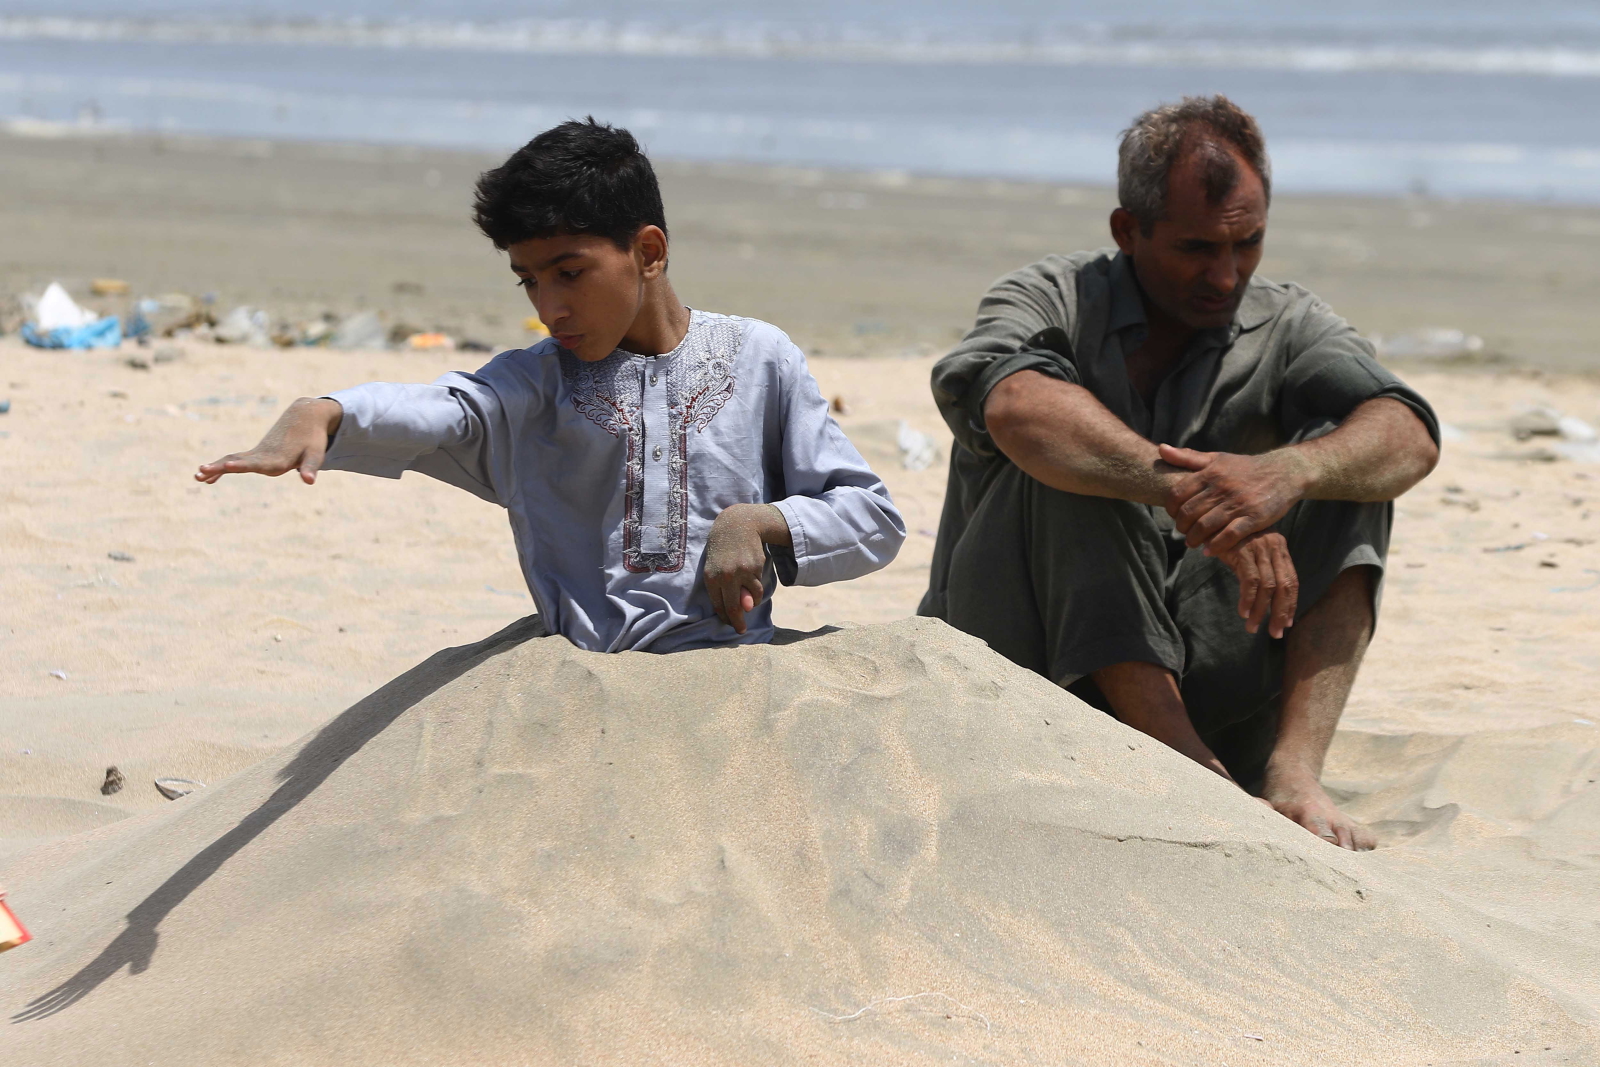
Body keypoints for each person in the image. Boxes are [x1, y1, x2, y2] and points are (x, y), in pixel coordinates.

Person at [920, 96, 1440, 851]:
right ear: (1128, 231)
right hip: (1021, 664)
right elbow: (1015, 407)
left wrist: (1285, 473)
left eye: (1249, 244)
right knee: (1072, 464)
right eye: (1198, 249)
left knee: (1349, 464)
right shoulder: (1047, 295)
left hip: (1200, 659)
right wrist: (1191, 493)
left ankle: (1293, 774)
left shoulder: (1287, 322)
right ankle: (1194, 775)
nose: (1226, 276)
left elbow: (1411, 435)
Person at [197, 118, 905, 653]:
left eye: (569, 272)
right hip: (577, 693)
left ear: (649, 252)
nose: (548, 307)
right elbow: (446, 409)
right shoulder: (533, 386)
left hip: (744, 685)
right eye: (530, 280)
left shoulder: (759, 358)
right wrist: (327, 410)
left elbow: (873, 519)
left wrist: (758, 521)